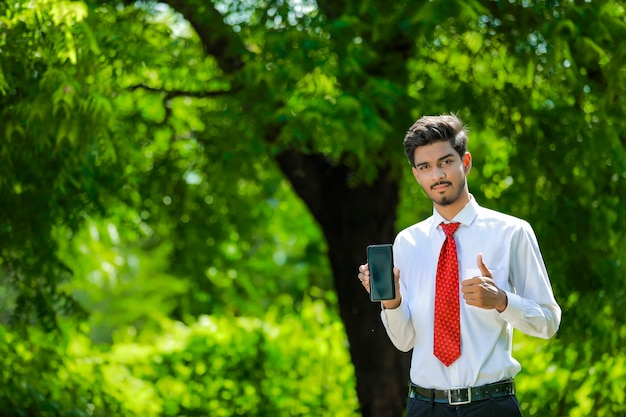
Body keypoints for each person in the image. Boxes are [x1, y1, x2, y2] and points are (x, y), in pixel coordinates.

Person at [357, 114, 561, 417]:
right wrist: (391, 300)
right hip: (424, 407)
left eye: (445, 162)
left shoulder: (511, 233)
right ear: (416, 175)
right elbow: (403, 342)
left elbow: (548, 322)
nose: (437, 174)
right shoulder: (407, 243)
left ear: (465, 162)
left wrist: (502, 301)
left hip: (491, 405)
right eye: (425, 167)